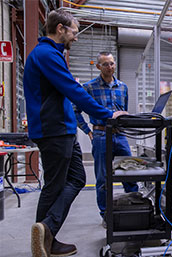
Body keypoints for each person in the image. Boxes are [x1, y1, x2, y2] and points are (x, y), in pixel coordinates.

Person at [25, 10, 127, 257]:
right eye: (74, 30)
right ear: (60, 28)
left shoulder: (53, 54)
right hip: (54, 130)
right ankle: (45, 237)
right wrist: (106, 114)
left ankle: (47, 231)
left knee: (77, 178)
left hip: (63, 129)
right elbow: (73, 90)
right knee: (54, 186)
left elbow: (66, 90)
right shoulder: (46, 54)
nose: (76, 37)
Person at [74, 52, 139, 226]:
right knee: (103, 177)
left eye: (111, 63)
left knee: (130, 171)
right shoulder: (89, 87)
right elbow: (75, 110)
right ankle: (106, 214)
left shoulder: (123, 87)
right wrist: (88, 130)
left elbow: (122, 111)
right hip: (101, 135)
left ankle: (134, 207)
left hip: (120, 135)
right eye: (105, 64)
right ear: (98, 67)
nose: (109, 67)